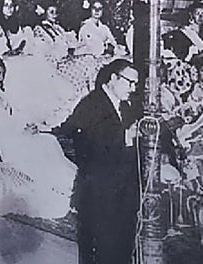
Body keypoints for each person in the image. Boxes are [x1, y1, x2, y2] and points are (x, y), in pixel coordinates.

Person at [50, 58, 141, 264]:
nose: (133, 89)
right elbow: (88, 149)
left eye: (136, 84)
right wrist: (126, 136)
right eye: (130, 82)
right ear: (114, 78)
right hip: (99, 194)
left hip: (122, 193)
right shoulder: (91, 104)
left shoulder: (125, 107)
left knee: (121, 249)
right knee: (99, 251)